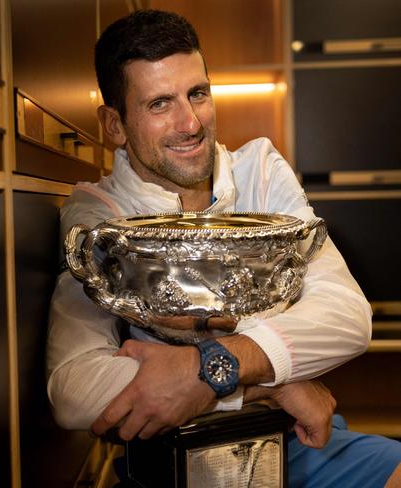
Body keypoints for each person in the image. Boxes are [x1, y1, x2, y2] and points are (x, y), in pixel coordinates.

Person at [46, 9, 401, 488]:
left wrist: (207, 369)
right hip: (178, 460)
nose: (190, 122)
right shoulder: (98, 214)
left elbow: (347, 319)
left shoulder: (260, 169)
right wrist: (273, 386)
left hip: (298, 439)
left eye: (197, 94)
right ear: (114, 123)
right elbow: (74, 391)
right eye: (159, 104)